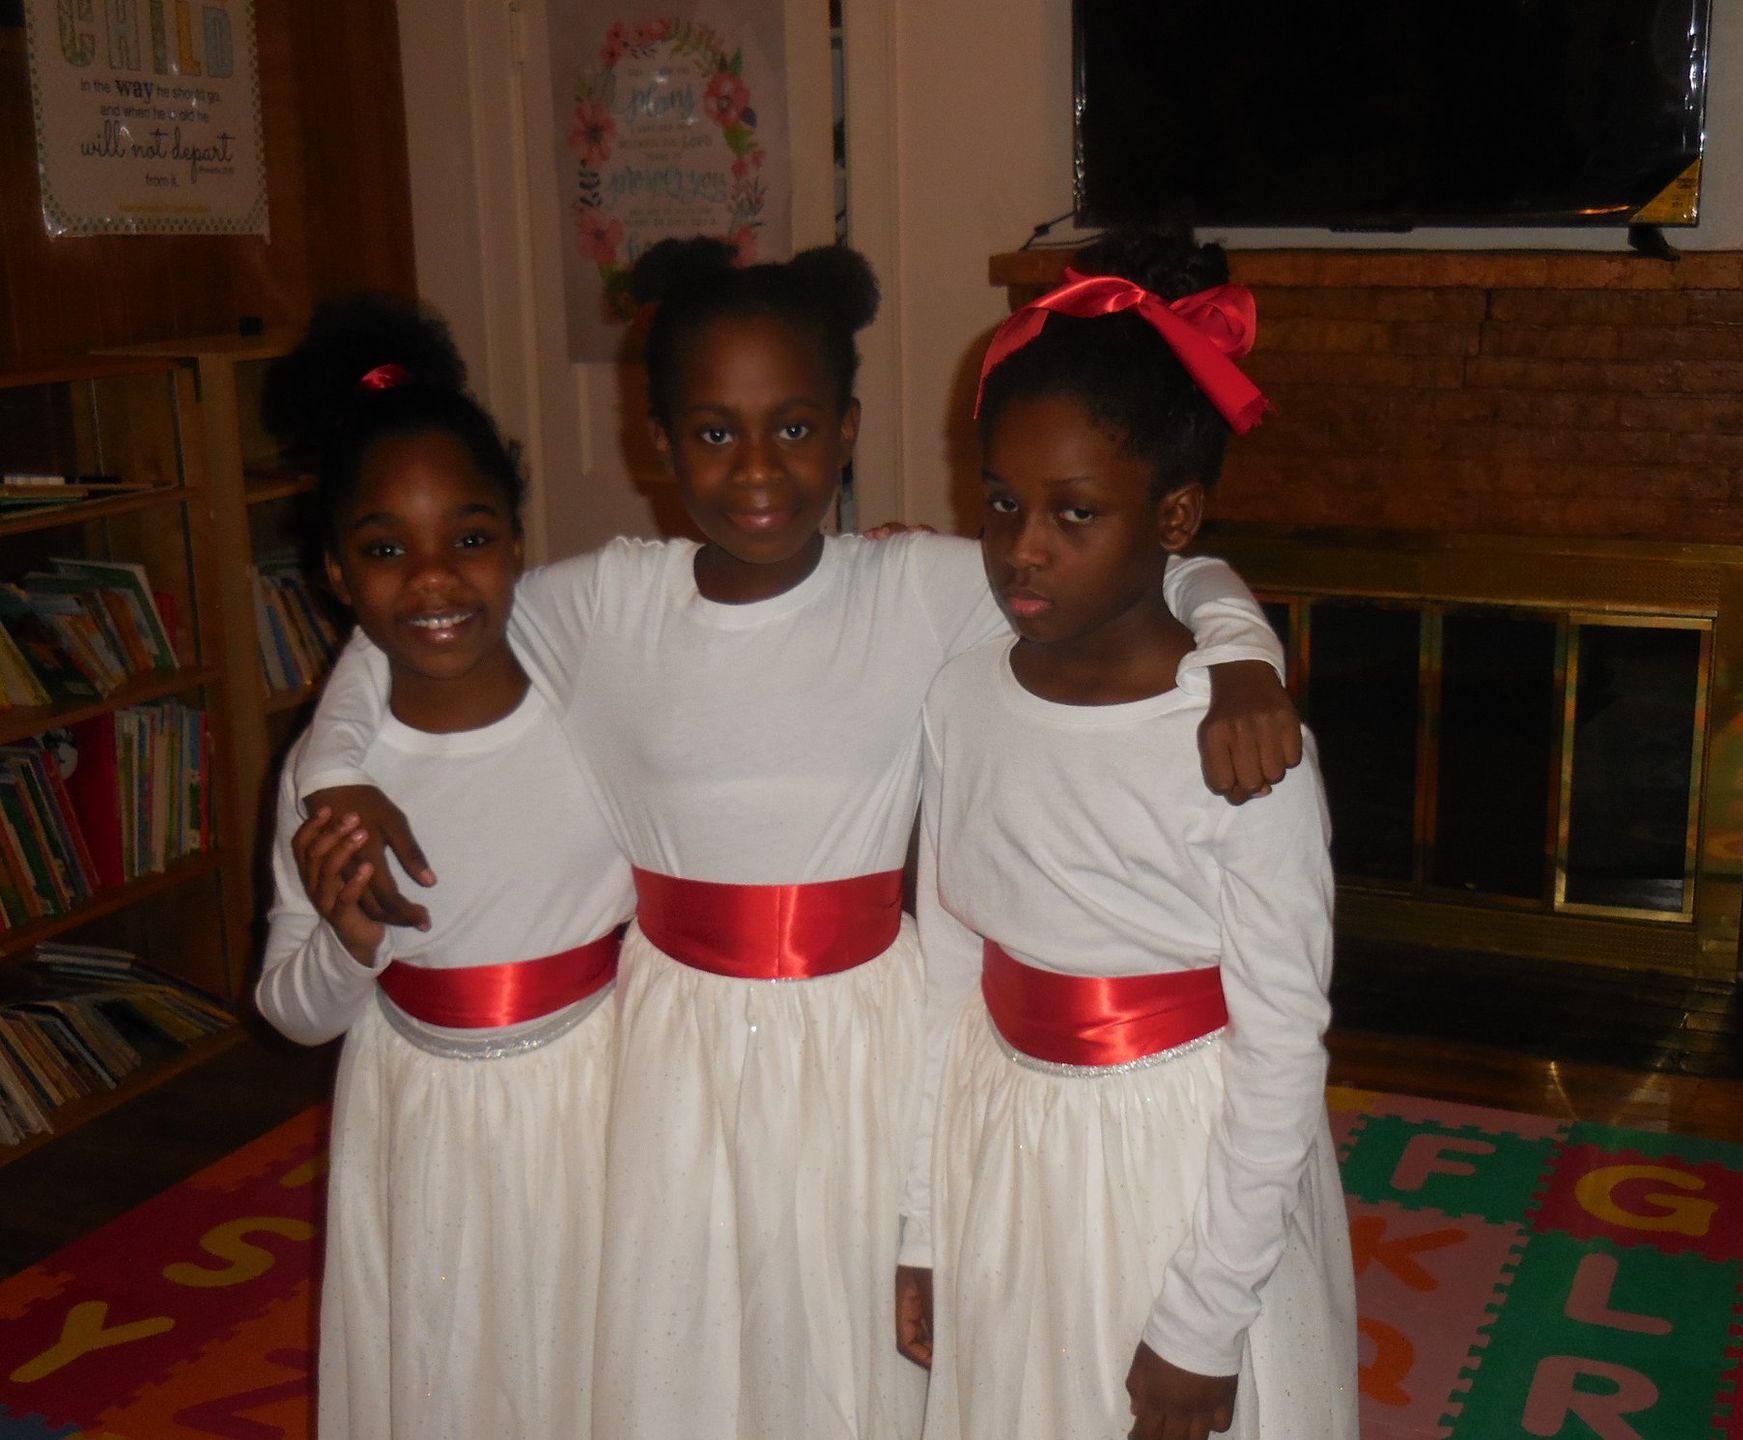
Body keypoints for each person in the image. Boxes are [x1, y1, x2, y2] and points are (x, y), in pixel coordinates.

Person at [290, 239, 1300, 1440]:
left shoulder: (919, 585)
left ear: (851, 430)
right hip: (673, 1040)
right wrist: (334, 774)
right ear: (657, 446)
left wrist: (1241, 646)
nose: (756, 469)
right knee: (688, 1328)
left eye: (795, 427)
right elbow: (414, 617)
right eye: (714, 433)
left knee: (852, 1332)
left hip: (863, 1034)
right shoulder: (606, 602)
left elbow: (1145, 561)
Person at [899, 230, 1359, 1440]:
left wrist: (1205, 1321)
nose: (1022, 547)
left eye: (1074, 512)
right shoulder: (959, 698)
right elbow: (944, 973)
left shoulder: (1240, 744)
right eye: (1001, 503)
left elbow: (1279, 1046)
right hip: (1003, 1147)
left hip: (1172, 1170)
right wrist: (922, 1226)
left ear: (1175, 516)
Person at [253, 295, 633, 1439]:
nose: (432, 580)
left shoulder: (594, 708)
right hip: (421, 1119)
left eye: (468, 539)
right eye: (384, 549)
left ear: (518, 541)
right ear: (333, 573)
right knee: (453, 1371)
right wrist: (352, 934)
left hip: (602, 1102)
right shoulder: (329, 782)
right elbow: (294, 1011)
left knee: (599, 1364)